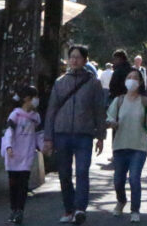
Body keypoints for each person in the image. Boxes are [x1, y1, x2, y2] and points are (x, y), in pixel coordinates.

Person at [43, 45, 107, 225]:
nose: (74, 60)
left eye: (78, 57)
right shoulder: (60, 82)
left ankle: (80, 209)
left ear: (85, 60)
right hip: (61, 133)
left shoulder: (94, 83)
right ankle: (68, 209)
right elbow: (51, 111)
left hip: (84, 134)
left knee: (82, 171)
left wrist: (101, 136)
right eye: (71, 57)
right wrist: (48, 137)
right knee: (64, 173)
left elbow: (99, 111)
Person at [106, 69, 147, 223]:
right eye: (129, 77)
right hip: (120, 146)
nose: (131, 80)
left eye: (135, 78)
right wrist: (111, 123)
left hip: (138, 147)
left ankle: (135, 209)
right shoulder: (118, 101)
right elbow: (109, 117)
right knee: (118, 179)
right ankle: (121, 200)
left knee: (134, 178)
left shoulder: (145, 102)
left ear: (140, 83)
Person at [1, 85, 44, 225]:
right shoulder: (15, 114)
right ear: (27, 99)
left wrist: (44, 148)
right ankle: (13, 209)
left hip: (27, 154)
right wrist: (8, 146)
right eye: (35, 97)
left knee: (23, 184)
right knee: (13, 184)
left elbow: (38, 135)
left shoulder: (36, 117)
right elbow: (9, 132)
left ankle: (20, 210)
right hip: (13, 154)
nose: (37, 100)